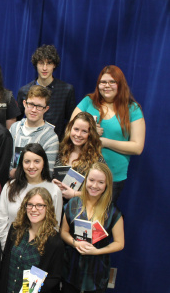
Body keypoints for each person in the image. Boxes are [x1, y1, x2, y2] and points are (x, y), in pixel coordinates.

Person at [60, 162, 124, 293]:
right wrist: (74, 242)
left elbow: (120, 243)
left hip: (97, 268)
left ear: (107, 185)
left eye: (100, 182)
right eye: (91, 180)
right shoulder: (73, 204)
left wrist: (98, 251)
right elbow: (63, 232)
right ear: (85, 180)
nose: (94, 186)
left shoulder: (113, 212)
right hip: (71, 264)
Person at [71, 65, 145, 204]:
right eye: (103, 82)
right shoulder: (88, 102)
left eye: (112, 82)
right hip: (82, 172)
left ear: (120, 84)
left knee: (101, 219)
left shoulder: (132, 109)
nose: (107, 86)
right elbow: (70, 130)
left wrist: (103, 142)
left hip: (112, 176)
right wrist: (90, 132)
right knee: (76, 215)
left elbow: (137, 147)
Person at [0, 143, 62, 250]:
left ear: (44, 163)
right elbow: (1, 221)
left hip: (40, 251)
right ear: (21, 164)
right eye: (27, 161)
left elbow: (55, 226)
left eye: (37, 161)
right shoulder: (10, 187)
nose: (31, 166)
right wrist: (6, 248)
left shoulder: (54, 190)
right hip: (11, 249)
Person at [17, 45, 76, 139]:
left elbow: (72, 121)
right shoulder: (24, 91)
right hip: (29, 143)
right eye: (41, 63)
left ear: (54, 65)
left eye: (49, 63)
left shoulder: (66, 90)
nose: (44, 68)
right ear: (36, 64)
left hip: (57, 143)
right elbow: (17, 121)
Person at [52, 112, 105, 200]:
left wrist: (75, 194)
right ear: (70, 129)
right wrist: (52, 183)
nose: (78, 134)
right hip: (56, 203)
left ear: (90, 134)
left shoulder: (96, 159)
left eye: (84, 131)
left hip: (80, 208)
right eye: (76, 129)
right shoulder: (60, 151)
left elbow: (102, 191)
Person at [10, 85, 59, 176]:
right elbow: (6, 162)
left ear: (46, 109)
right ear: (24, 103)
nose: (34, 110)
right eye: (31, 104)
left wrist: (19, 174)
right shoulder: (14, 128)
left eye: (39, 106)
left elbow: (47, 173)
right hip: (12, 184)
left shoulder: (50, 138)